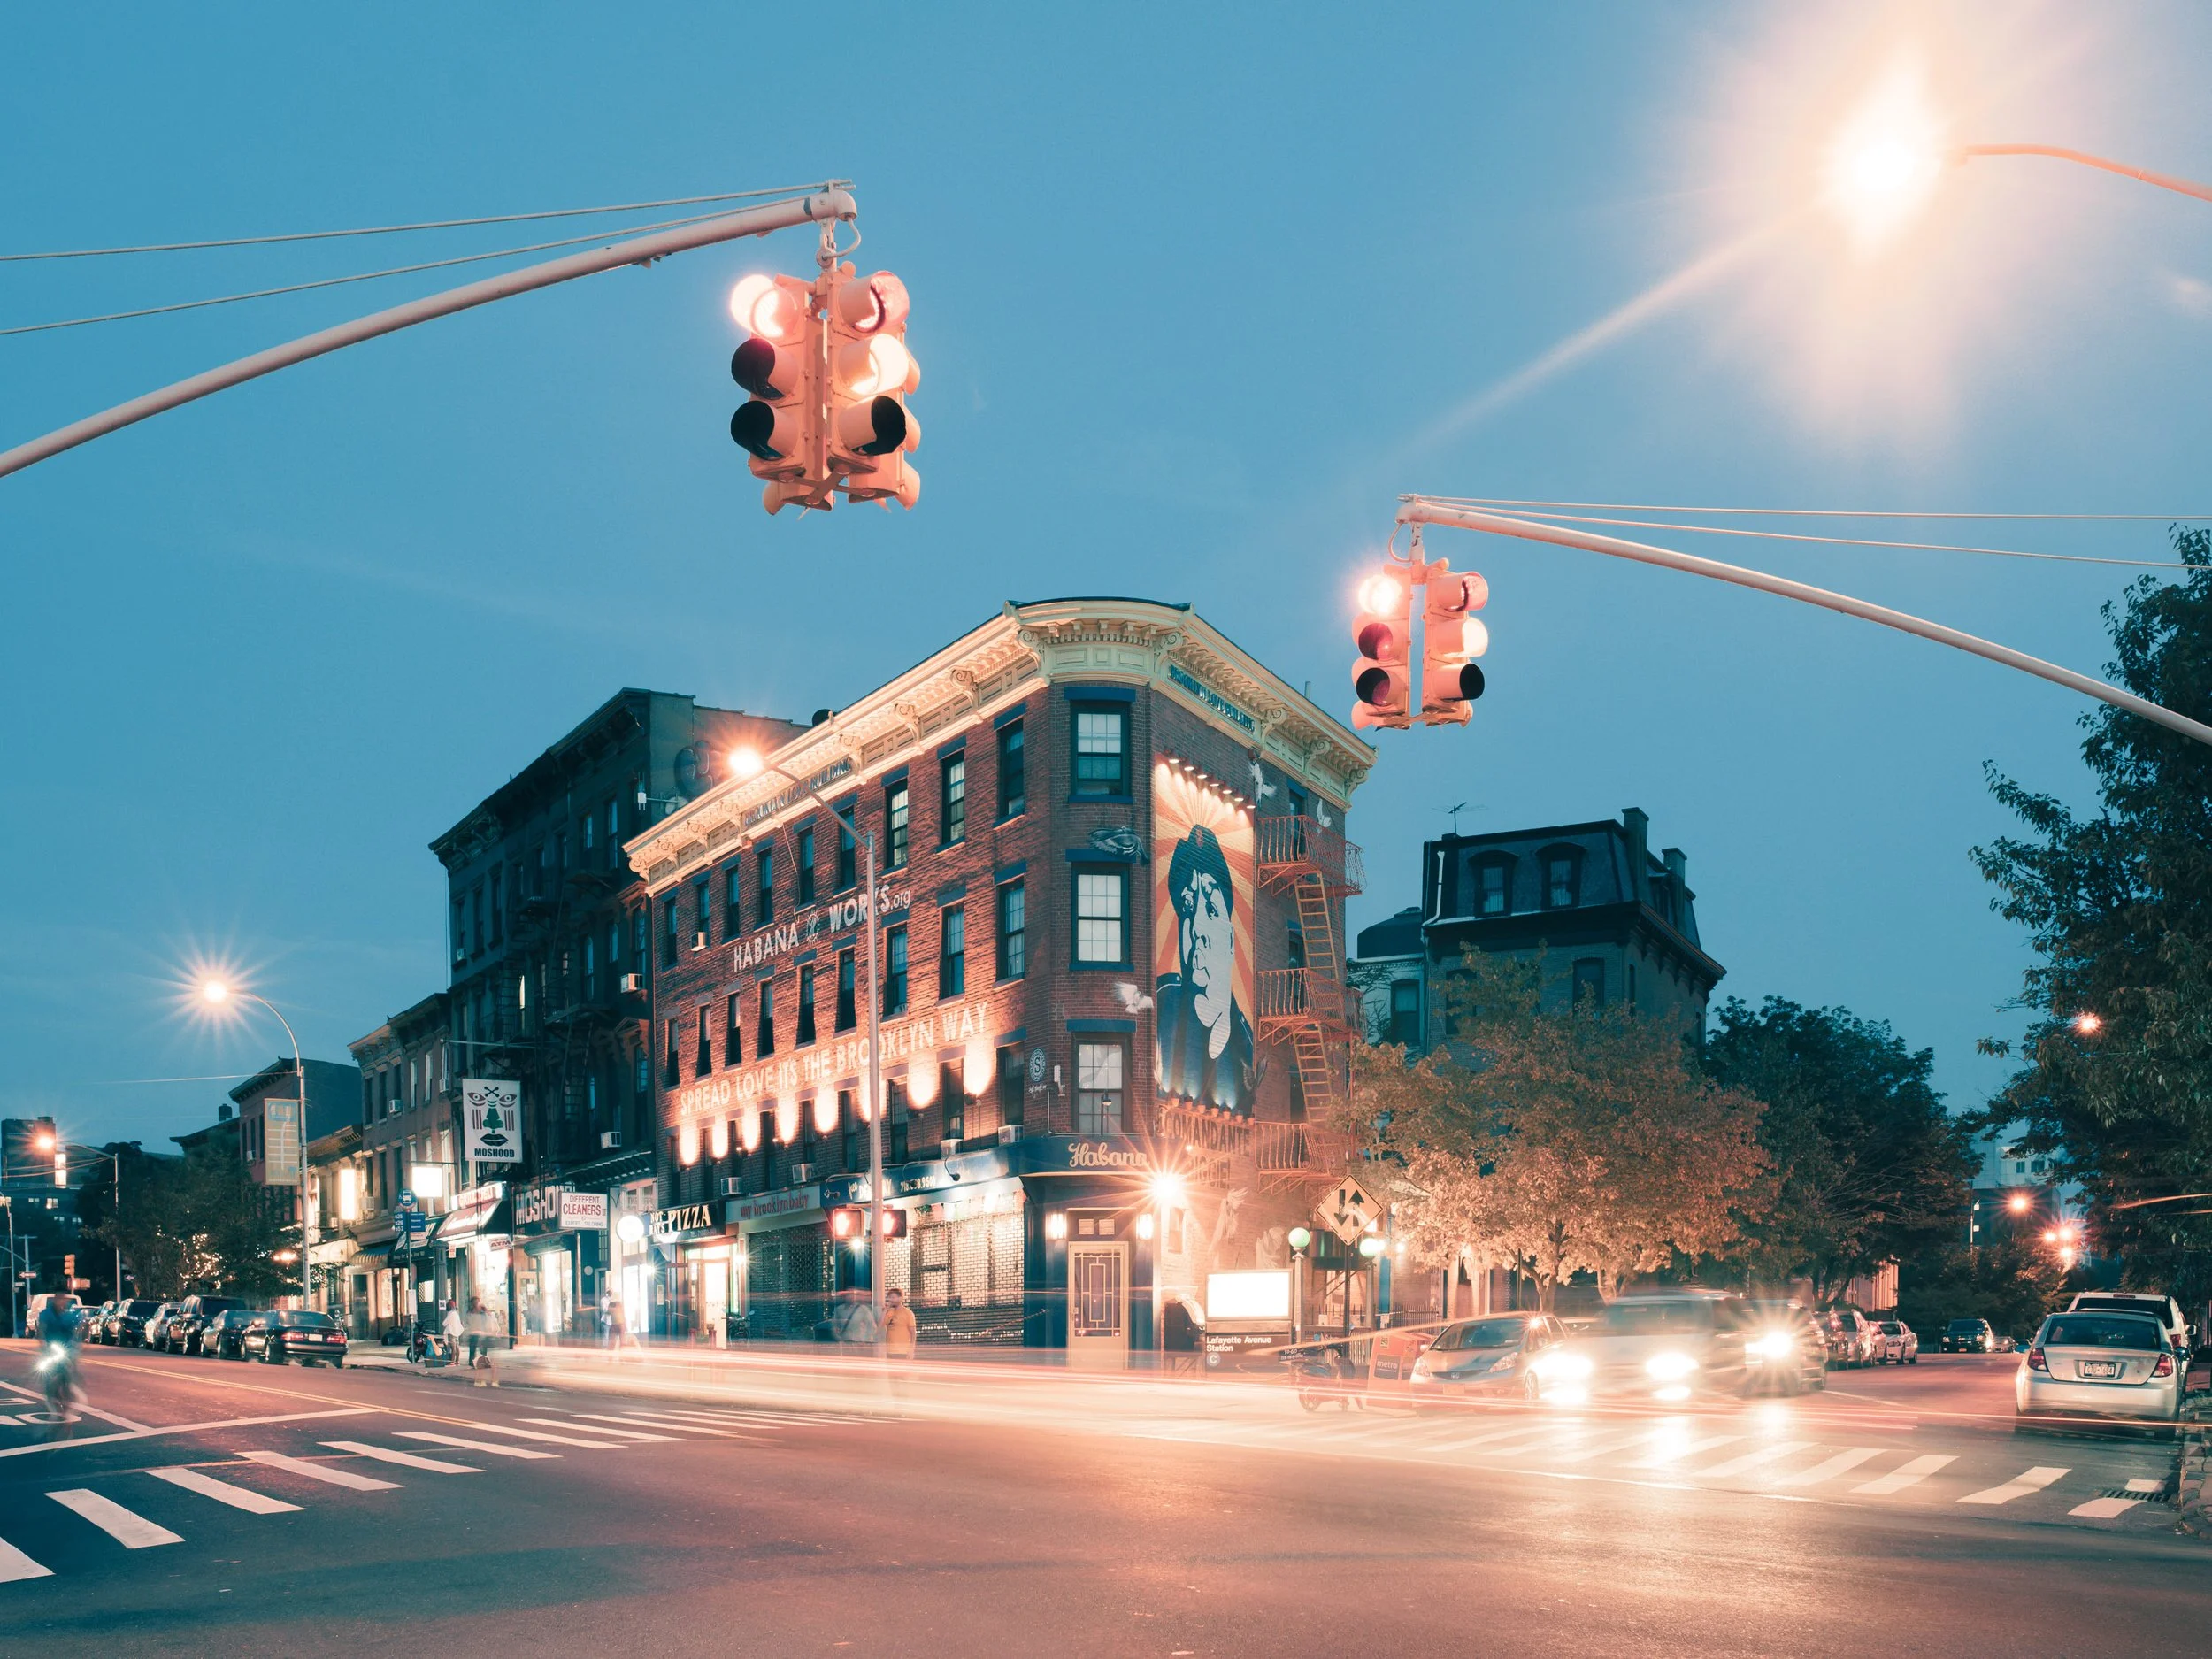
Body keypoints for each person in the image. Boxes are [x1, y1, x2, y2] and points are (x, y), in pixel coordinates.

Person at [1154, 824, 1256, 1111]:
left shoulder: (1250, 1047)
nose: (1196, 925)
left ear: (1232, 937)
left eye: (1211, 909)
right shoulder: (1158, 1010)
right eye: (1187, 907)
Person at [34, 1294, 84, 1427]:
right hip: (50, 1348)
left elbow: (78, 1328)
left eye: (63, 1298)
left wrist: (78, 1344)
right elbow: (42, 1330)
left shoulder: (69, 1315)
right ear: (55, 1299)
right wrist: (43, 1344)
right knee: (47, 1372)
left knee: (67, 1374)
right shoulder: (46, 1314)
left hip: (66, 1349)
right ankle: (51, 1395)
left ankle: (66, 1400)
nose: (61, 1301)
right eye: (59, 1298)